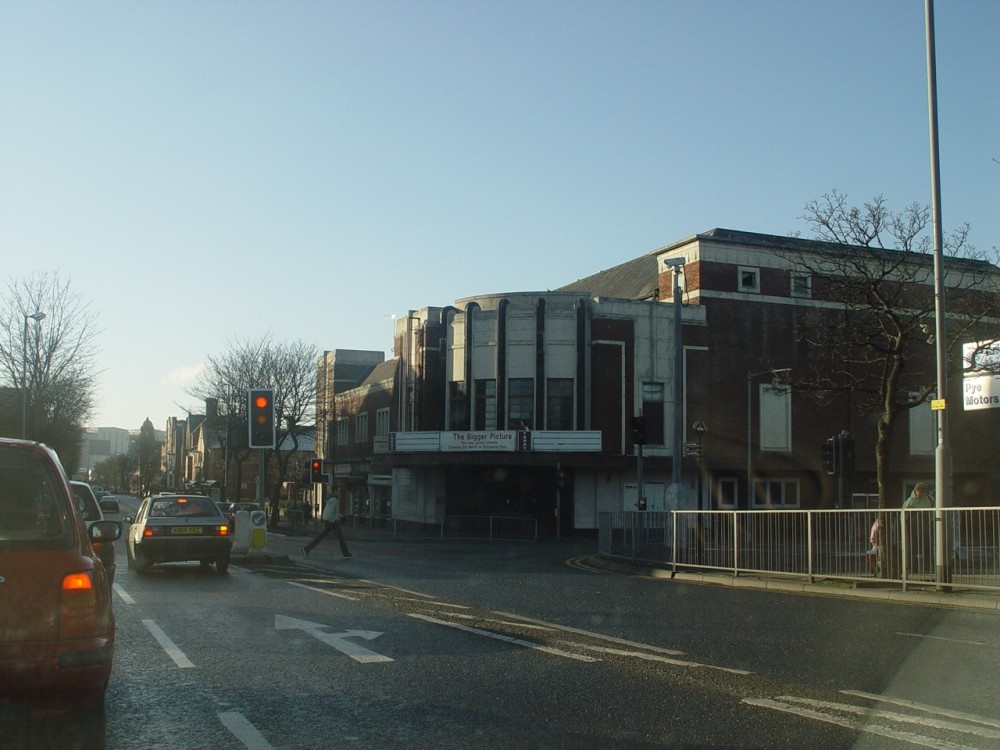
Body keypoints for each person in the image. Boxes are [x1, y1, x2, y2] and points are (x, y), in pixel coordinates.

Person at [302, 493, 352, 558]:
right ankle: (346, 553)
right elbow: (332, 512)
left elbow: (334, 512)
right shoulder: (334, 500)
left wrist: (341, 516)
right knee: (340, 537)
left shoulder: (329, 501)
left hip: (327, 520)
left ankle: (307, 549)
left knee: (320, 537)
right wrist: (333, 520)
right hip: (332, 521)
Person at [902, 482, 932, 573]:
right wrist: (904, 526)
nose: (921, 495)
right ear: (916, 491)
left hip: (925, 525)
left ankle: (928, 565)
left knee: (927, 547)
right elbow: (903, 513)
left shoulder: (929, 499)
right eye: (919, 492)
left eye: (923, 493)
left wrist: (932, 521)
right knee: (913, 547)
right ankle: (913, 567)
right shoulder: (910, 501)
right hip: (913, 526)